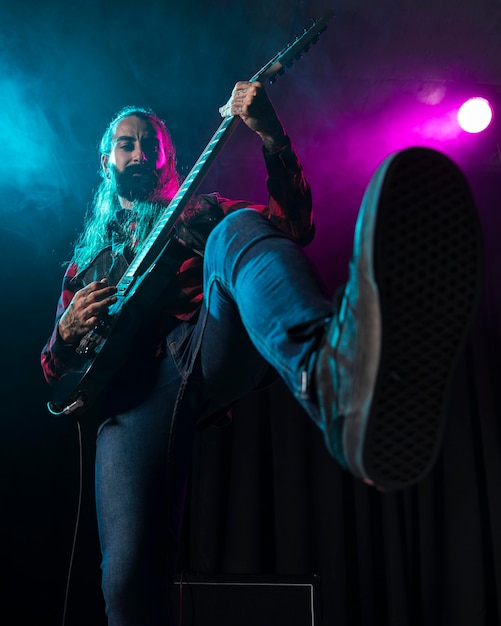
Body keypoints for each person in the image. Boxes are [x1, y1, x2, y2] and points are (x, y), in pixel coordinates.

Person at [41, 81, 483, 625]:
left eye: (148, 144)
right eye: (125, 144)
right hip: (131, 405)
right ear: (106, 160)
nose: (137, 153)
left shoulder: (199, 212)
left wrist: (272, 137)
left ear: (168, 157)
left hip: (201, 345)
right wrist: (65, 333)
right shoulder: (81, 270)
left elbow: (294, 228)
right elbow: (54, 377)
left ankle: (331, 375)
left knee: (239, 227)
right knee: (129, 583)